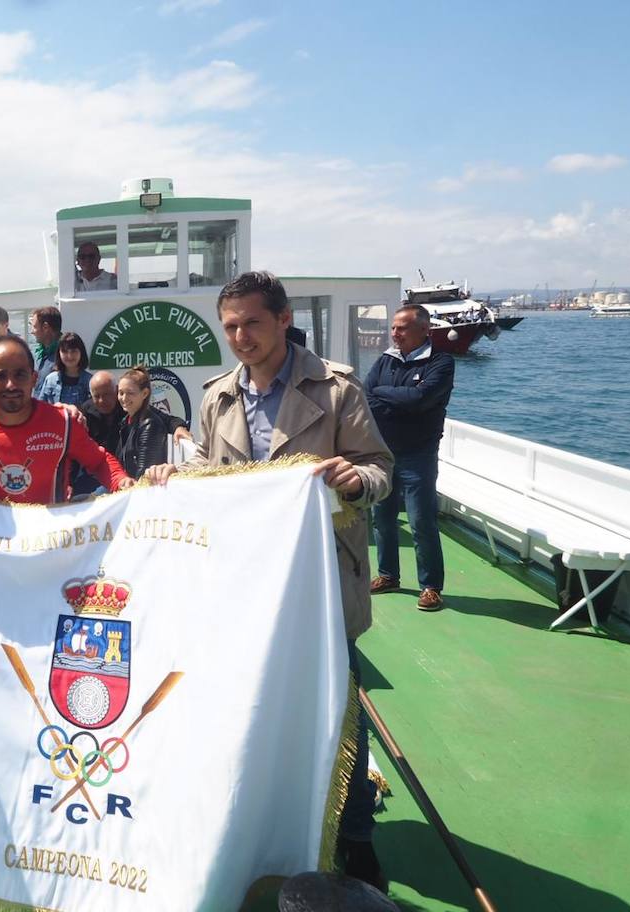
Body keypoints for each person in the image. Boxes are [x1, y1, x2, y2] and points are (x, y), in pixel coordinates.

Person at [144, 270, 392, 891]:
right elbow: (208, 467)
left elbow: (380, 467)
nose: (240, 337)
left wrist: (356, 481)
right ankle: (252, 823)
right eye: (229, 326)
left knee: (337, 711)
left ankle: (356, 836)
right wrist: (176, 477)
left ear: (282, 319)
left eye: (252, 323)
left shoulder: (335, 389)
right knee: (242, 705)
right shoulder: (217, 395)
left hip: (321, 581)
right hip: (241, 586)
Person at [0, 335, 131, 504]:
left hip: (52, 530)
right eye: (0, 376)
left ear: (34, 378)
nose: (11, 385)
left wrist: (121, 482)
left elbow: (99, 462)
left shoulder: (63, 422)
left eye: (20, 375)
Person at [364, 304, 455, 611]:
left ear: (424, 331)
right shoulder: (385, 360)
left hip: (419, 455)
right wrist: (397, 399)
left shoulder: (441, 363)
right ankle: (388, 575)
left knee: (420, 521)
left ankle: (431, 586)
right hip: (384, 454)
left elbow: (420, 399)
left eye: (401, 328)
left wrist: (385, 394)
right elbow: (366, 395)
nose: (394, 333)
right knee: (383, 519)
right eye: (393, 328)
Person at [113, 366, 176, 479]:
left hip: (139, 490)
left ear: (145, 393)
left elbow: (144, 475)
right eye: (121, 393)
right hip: (124, 484)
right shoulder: (126, 421)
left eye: (130, 393)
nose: (124, 398)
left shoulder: (150, 425)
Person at [34, 331, 92, 406]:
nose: (69, 356)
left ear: (81, 352)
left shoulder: (90, 382)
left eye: (73, 351)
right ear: (59, 353)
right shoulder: (50, 380)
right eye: (64, 351)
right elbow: (41, 408)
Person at [30, 306, 62, 384]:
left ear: (45, 327)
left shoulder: (64, 356)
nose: (32, 332)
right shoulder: (36, 354)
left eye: (34, 327)